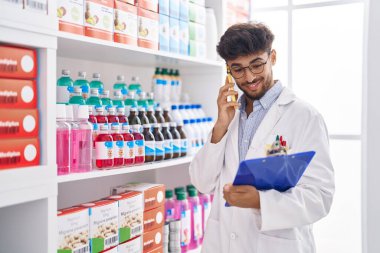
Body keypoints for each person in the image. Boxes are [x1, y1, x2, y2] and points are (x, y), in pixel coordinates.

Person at [189, 22, 335, 253]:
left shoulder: (304, 117)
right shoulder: (229, 116)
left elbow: (320, 197)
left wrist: (260, 201)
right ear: (228, 70)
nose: (248, 77)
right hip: (224, 243)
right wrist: (220, 127)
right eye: (237, 69)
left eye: (257, 65)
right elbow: (202, 182)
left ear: (272, 57)